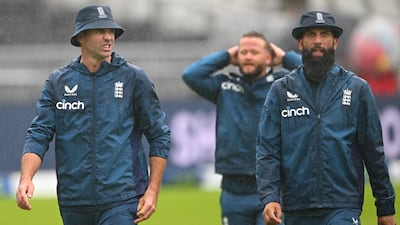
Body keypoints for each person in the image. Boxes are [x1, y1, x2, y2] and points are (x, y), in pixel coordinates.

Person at [15, 5, 170, 225]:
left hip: (121, 199)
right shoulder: (57, 83)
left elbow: (159, 135)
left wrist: (152, 191)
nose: (109, 37)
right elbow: (39, 134)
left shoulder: (134, 78)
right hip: (73, 202)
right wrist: (26, 178)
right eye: (100, 31)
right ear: (81, 37)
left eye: (111, 31)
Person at [256, 11, 397, 225]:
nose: (318, 40)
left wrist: (385, 206)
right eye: (311, 35)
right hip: (296, 206)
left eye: (324, 34)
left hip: (342, 204)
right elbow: (268, 150)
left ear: (336, 42)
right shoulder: (280, 91)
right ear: (301, 43)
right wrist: (270, 197)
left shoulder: (356, 88)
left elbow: (373, 151)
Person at [182, 31, 301, 225]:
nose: (247, 56)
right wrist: (226, 56)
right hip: (233, 191)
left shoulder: (283, 86)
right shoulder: (225, 86)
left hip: (273, 190)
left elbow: (315, 75)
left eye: (254, 52)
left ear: (269, 57)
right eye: (243, 52)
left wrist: (286, 58)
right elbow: (191, 75)